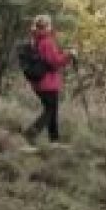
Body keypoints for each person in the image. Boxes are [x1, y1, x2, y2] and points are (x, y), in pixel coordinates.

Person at [22, 14, 75, 145]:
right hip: (48, 83)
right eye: (50, 25)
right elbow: (55, 62)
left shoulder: (35, 40)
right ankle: (30, 134)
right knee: (50, 112)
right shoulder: (47, 42)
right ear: (46, 27)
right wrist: (69, 55)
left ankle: (54, 141)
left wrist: (63, 54)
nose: (51, 27)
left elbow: (49, 59)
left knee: (51, 111)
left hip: (38, 82)